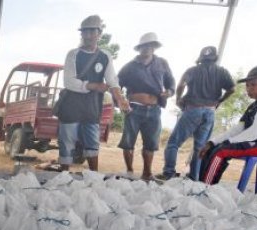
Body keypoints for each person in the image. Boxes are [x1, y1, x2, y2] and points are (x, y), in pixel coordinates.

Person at [56, 15, 129, 172]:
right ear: (81, 34)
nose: (88, 36)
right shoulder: (73, 54)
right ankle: (63, 176)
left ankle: (93, 177)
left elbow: (112, 81)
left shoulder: (105, 56)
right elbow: (69, 82)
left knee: (92, 142)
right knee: (67, 141)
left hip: (92, 107)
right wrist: (94, 85)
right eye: (85, 32)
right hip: (71, 106)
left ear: (99, 34)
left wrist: (120, 99)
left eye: (92, 32)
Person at [160, 46, 235, 180]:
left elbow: (181, 85)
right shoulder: (222, 71)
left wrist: (178, 99)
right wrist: (220, 101)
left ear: (201, 58)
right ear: (215, 58)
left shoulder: (192, 70)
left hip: (193, 109)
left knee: (173, 143)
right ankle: (193, 177)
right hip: (210, 111)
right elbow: (232, 89)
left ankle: (168, 173)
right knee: (200, 148)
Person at [198, 65, 257, 185]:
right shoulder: (253, 106)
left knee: (221, 151)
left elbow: (256, 132)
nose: (248, 88)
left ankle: (205, 189)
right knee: (212, 149)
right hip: (255, 141)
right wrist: (212, 142)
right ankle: (202, 184)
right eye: (247, 85)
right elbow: (238, 129)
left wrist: (227, 142)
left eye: (253, 84)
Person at [117, 32, 175, 179]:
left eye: (150, 45)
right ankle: (129, 171)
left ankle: (147, 173)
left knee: (151, 144)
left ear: (154, 47)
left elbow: (171, 83)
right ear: (139, 48)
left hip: (154, 110)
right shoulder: (129, 66)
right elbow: (116, 85)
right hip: (133, 109)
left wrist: (169, 92)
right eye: (144, 46)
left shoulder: (162, 63)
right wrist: (121, 101)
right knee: (128, 142)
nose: (147, 48)